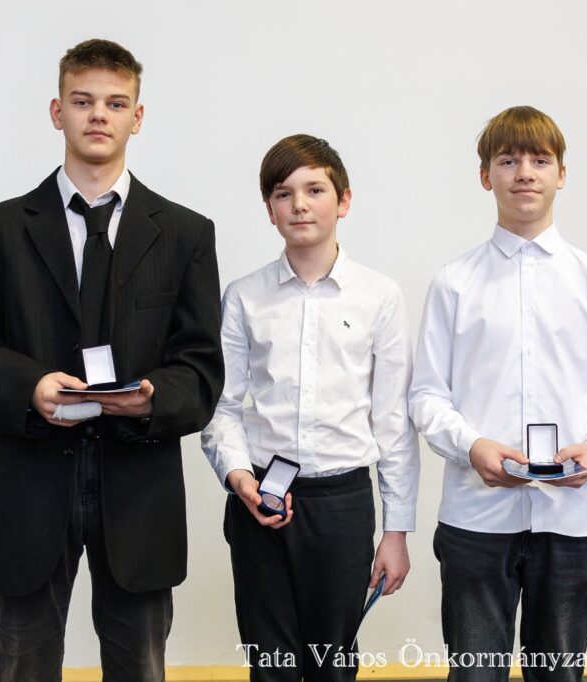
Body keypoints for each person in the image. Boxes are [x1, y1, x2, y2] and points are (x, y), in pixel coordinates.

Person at [0, 38, 223, 681]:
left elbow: (202, 368)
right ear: (57, 111)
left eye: (115, 103)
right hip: (30, 482)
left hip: (140, 489)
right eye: (82, 101)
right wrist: (31, 387)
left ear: (137, 117)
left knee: (140, 668)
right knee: (23, 665)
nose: (99, 114)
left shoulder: (186, 234)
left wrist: (152, 398)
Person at [409, 106, 587, 682]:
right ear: (486, 175)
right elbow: (427, 395)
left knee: (559, 675)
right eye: (508, 160)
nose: (525, 173)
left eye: (540, 160)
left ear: (562, 174)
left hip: (573, 517)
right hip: (477, 517)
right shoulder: (454, 282)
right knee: (475, 675)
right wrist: (472, 446)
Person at [201, 134, 420, 682]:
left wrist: (396, 532)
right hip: (259, 497)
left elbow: (392, 421)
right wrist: (238, 478)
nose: (299, 204)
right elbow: (221, 405)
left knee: (332, 665)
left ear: (343, 201)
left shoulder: (379, 296)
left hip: (341, 504)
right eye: (284, 193)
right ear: (269, 210)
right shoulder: (244, 296)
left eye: (315, 190)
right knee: (270, 664)